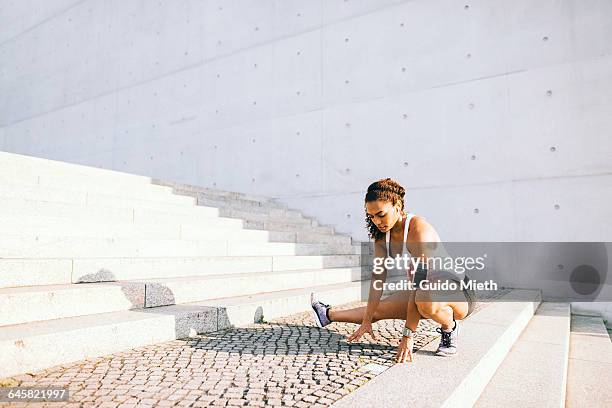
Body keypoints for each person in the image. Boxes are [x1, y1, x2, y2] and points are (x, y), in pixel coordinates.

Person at [310, 178, 475, 363]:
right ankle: (327, 315)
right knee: (377, 310)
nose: (377, 221)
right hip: (423, 289)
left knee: (425, 299)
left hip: (458, 293)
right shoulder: (382, 236)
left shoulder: (418, 231)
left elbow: (420, 284)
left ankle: (449, 328)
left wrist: (407, 336)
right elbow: (378, 278)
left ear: (397, 205)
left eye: (381, 214)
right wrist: (366, 321)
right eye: (371, 216)